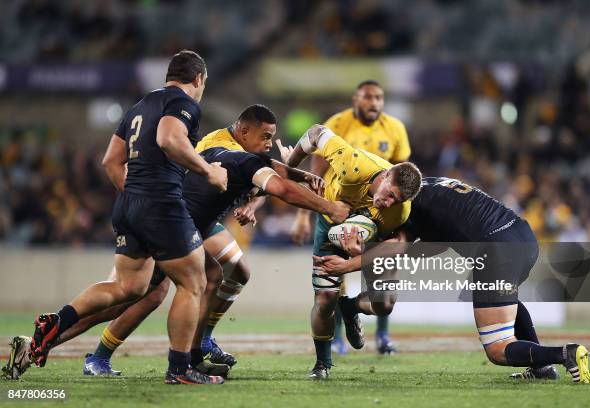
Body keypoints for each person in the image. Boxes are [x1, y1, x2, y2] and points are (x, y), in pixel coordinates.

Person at [4, 106, 350, 380]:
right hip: (174, 219)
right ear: (244, 131)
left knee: (228, 273)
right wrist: (326, 205)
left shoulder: (238, 149)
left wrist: (300, 174)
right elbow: (268, 178)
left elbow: (265, 167)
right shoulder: (222, 146)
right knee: (143, 294)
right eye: (265, 137)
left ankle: (197, 345)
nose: (269, 143)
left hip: (192, 220)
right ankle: (98, 354)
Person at [27, 49, 229, 385]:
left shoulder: (139, 106)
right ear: (199, 79)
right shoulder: (184, 104)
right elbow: (168, 139)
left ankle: (56, 323)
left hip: (129, 203)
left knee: (129, 286)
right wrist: (208, 171)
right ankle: (180, 370)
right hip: (161, 203)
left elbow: (110, 161)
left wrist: (135, 196)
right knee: (194, 282)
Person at [315, 177, 590, 384]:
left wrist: (349, 263)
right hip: (522, 236)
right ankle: (542, 369)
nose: (383, 204)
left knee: (497, 349)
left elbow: (400, 246)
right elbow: (435, 242)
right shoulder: (430, 185)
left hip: (497, 249)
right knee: (503, 297)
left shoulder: (406, 207)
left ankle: (565, 354)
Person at [277, 124, 421, 379]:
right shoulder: (354, 165)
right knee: (324, 300)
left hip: (370, 236)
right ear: (386, 175)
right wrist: (292, 163)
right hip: (329, 222)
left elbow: (393, 247)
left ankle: (351, 308)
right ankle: (322, 364)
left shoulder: (399, 212)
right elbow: (317, 133)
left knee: (384, 303)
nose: (388, 203)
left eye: (396, 201)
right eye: (389, 194)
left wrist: (360, 252)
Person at [292, 80, 411, 355]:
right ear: (356, 99)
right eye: (368, 97)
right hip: (340, 209)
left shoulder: (395, 129)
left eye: (379, 98)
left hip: (377, 211)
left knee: (383, 278)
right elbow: (317, 171)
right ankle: (335, 339)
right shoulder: (339, 124)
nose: (375, 103)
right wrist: (303, 215)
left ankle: (382, 335)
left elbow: (403, 173)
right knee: (335, 274)